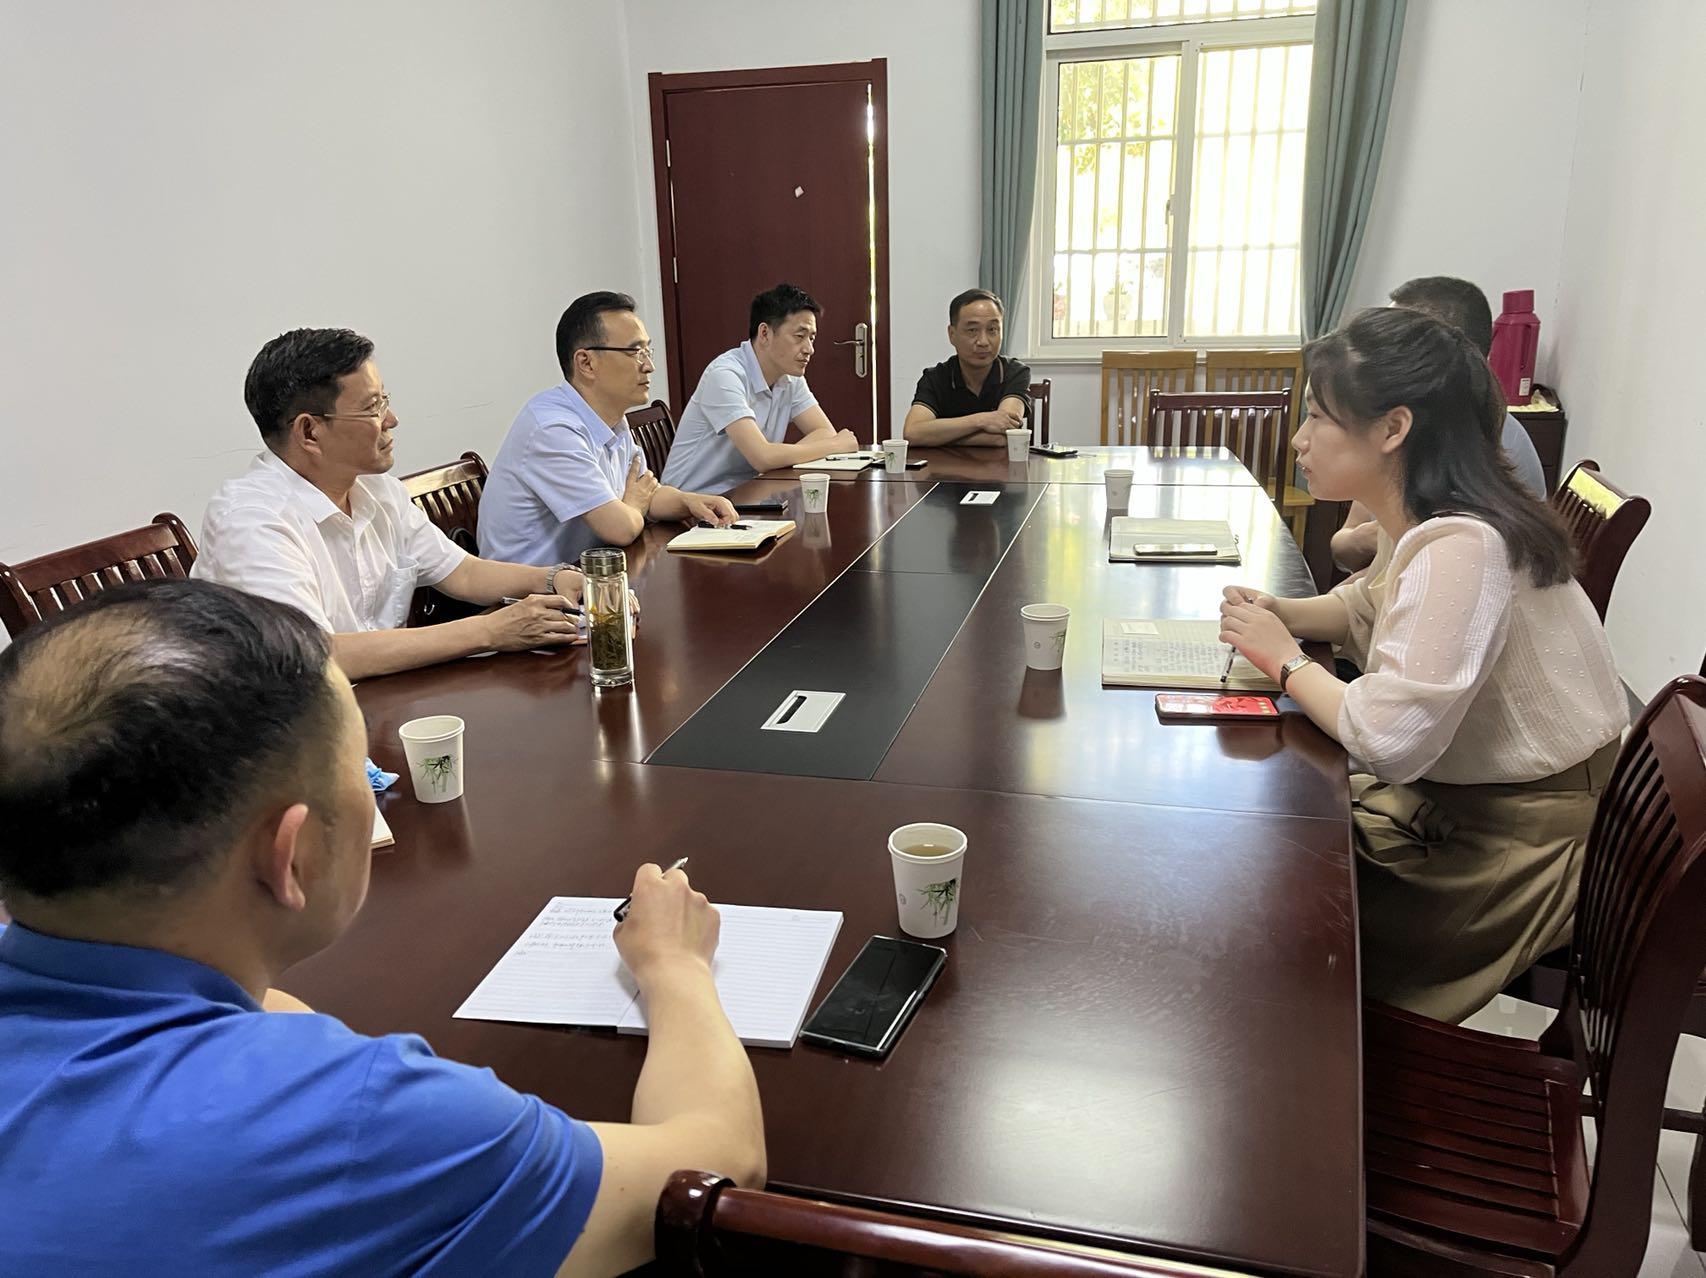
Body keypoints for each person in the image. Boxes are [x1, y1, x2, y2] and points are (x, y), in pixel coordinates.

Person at [0, 579, 764, 1276]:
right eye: (362, 770)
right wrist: (673, 964)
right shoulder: (356, 1119)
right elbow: (711, 1169)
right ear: (293, 854)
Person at [1218, 306, 1626, 1023]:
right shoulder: (1430, 516)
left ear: (1393, 428)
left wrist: (1286, 662)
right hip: (1465, 799)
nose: (1300, 439)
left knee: (1274, 929)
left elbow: (1390, 739)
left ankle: (1301, 1074)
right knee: (1266, 845)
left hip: (1513, 840)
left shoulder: (1463, 546)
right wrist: (1284, 613)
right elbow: (1368, 605)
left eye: (1318, 417)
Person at [193, 327, 624, 682]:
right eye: (372, 407)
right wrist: (491, 630)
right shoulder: (252, 520)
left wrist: (554, 578)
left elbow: (463, 573)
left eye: (385, 400)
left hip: (378, 704)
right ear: (310, 432)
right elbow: (316, 657)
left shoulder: (377, 491)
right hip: (283, 735)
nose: (391, 419)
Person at [480, 292, 738, 565]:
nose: (649, 366)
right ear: (586, 363)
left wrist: (689, 502)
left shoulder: (611, 419)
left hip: (587, 573)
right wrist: (634, 505)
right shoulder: (552, 429)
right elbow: (621, 528)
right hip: (530, 586)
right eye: (634, 352)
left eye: (647, 351)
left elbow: (646, 493)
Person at [1332, 276, 1548, 574]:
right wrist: (1365, 540)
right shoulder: (1402, 427)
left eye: (1391, 345)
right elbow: (1347, 553)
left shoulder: (1482, 445)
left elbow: (1447, 576)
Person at [660, 282, 858, 495]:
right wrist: (836, 446)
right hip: (692, 502)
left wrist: (780, 455)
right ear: (764, 333)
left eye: (812, 338)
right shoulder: (725, 375)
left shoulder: (789, 377)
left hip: (748, 494)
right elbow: (762, 458)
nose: (809, 349)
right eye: (799, 337)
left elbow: (824, 432)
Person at [902, 288, 1032, 447]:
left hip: (999, 463)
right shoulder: (936, 377)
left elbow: (1003, 437)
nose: (983, 341)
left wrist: (941, 437)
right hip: (945, 463)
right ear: (952, 334)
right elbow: (913, 433)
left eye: (992, 330)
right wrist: (982, 420)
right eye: (972, 330)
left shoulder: (1015, 372)